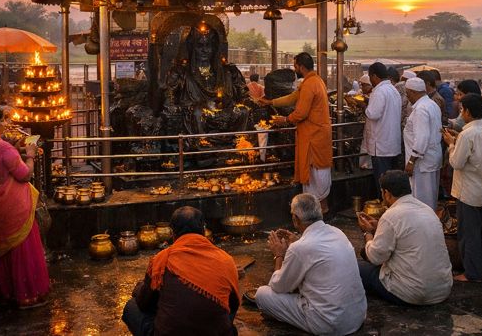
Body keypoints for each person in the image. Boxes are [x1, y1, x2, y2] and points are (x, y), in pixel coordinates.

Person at [0, 106, 50, 308]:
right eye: (2, 120)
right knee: (22, 249)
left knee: (1, 252)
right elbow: (24, 174)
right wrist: (29, 154)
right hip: (13, 209)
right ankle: (27, 293)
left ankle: (4, 292)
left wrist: (16, 150)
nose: (5, 124)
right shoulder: (1, 148)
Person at [256, 193, 366, 335]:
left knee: (261, 295)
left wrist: (279, 255)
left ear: (295, 219)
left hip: (330, 325)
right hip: (357, 316)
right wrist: (299, 242)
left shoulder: (300, 248)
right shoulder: (338, 232)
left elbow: (278, 286)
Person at [122, 206, 240, 336]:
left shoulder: (161, 259)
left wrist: (140, 288)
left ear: (173, 233)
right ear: (203, 229)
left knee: (131, 307)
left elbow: (144, 304)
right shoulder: (226, 260)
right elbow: (233, 304)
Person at [357, 170, 453, 304]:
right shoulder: (428, 210)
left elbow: (375, 257)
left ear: (386, 193)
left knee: (355, 267)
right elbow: (405, 231)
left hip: (413, 293)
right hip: (443, 289)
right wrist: (378, 226)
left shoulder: (391, 215)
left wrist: (367, 233)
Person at [264, 53, 333, 214]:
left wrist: (285, 119)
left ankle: (321, 210)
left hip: (314, 137)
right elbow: (292, 97)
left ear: (301, 66)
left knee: (317, 175)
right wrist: (271, 102)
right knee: (317, 175)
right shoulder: (314, 81)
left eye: (295, 66)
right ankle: (317, 211)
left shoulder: (310, 84)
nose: (294, 69)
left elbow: (301, 113)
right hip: (315, 135)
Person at [443, 93, 482, 282]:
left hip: (468, 192)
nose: (460, 113)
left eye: (461, 110)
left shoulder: (467, 134)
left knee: (469, 235)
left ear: (467, 111)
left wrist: (451, 145)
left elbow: (456, 162)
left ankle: (472, 273)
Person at [402, 77, 442, 209]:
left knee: (422, 199)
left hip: (421, 162)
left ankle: (424, 226)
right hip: (430, 157)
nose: (407, 97)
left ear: (413, 92)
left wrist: (412, 161)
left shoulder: (421, 109)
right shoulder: (431, 104)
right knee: (430, 196)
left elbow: (422, 137)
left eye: (408, 94)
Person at [364, 62, 402, 195]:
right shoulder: (393, 90)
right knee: (391, 182)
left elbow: (373, 114)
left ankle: (384, 207)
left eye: (369, 77)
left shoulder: (380, 91)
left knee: (383, 182)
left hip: (381, 145)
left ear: (374, 76)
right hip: (391, 143)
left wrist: (362, 106)